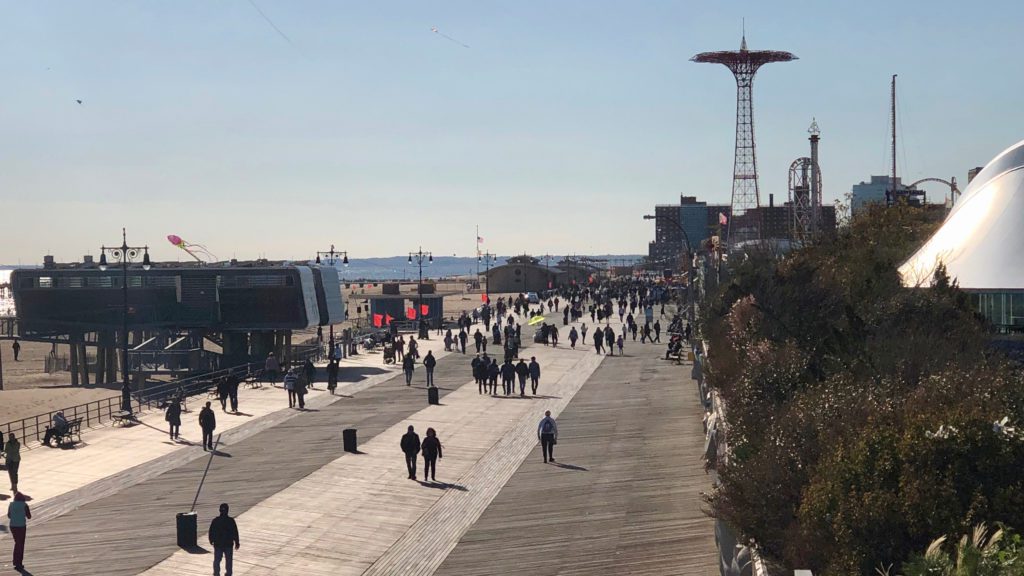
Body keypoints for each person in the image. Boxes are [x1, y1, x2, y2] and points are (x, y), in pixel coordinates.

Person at [208, 503, 240, 576]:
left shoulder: (215, 520)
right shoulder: (231, 521)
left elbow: (211, 531)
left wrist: (211, 540)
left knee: (217, 560)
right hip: (228, 544)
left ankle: (216, 573)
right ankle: (228, 574)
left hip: (218, 544)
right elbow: (235, 532)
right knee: (228, 561)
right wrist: (237, 542)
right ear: (228, 511)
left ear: (219, 510)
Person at [7, 491, 31, 570]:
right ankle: (18, 562)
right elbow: (29, 516)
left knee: (17, 543)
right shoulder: (24, 505)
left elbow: (9, 516)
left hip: (13, 526)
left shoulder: (11, 505)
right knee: (20, 544)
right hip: (21, 526)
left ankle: (16, 561)